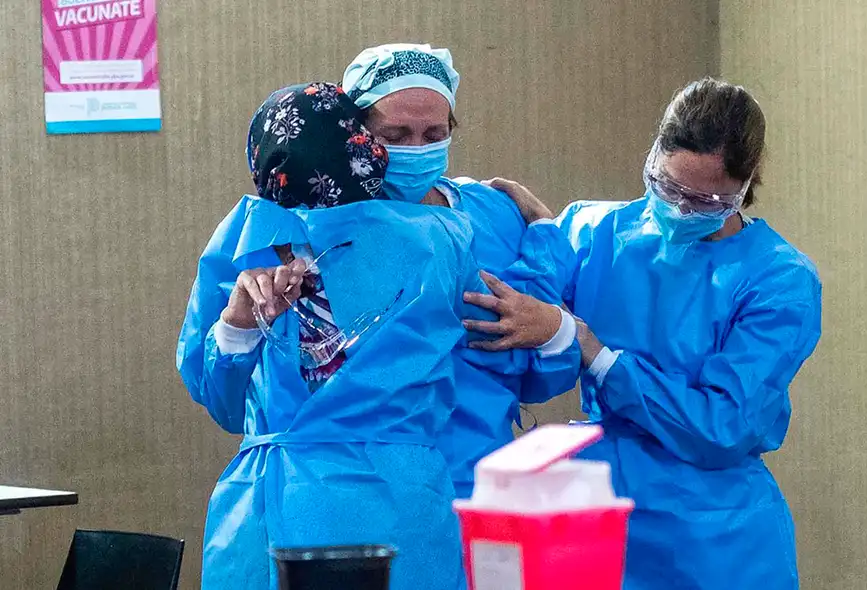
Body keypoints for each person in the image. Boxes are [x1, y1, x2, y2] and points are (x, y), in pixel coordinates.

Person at [472, 78, 823, 590]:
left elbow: (722, 425)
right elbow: (530, 352)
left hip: (715, 539)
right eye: (667, 186)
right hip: (600, 518)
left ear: (745, 186)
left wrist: (594, 352)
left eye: (705, 201)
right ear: (654, 153)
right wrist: (544, 233)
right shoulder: (592, 231)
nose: (680, 209)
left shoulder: (778, 279)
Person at [176, 83, 489, 590]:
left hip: (356, 505)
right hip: (327, 505)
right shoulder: (243, 248)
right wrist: (237, 324)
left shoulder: (436, 239)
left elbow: (508, 336)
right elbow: (220, 399)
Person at [341, 43, 582, 499]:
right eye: (397, 134)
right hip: (371, 489)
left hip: (483, 481)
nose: (417, 150)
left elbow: (541, 374)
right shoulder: (337, 229)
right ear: (358, 132)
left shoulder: (495, 212)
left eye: (434, 134)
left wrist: (551, 329)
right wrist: (546, 242)